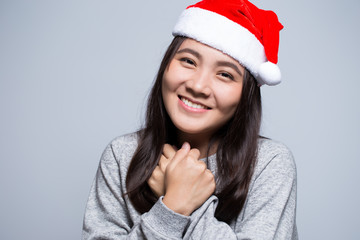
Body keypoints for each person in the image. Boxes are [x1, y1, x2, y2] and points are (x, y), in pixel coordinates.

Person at [82, 0, 298, 239]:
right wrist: (173, 207)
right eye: (188, 61)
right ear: (165, 66)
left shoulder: (269, 163)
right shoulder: (122, 155)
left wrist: (188, 204)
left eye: (225, 74)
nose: (198, 86)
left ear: (245, 95)